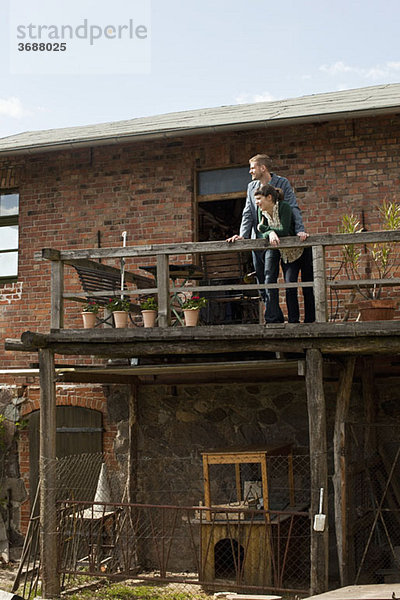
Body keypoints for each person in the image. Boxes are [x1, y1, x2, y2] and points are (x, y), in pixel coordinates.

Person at [227, 153, 312, 323]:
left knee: (271, 277)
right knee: (262, 279)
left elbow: (293, 207)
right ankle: (275, 315)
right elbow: (247, 213)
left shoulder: (282, 183)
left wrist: (300, 230)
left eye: (252, 168)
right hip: (259, 238)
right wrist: (242, 235)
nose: (250, 171)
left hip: (279, 239)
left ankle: (273, 319)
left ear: (262, 168)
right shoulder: (251, 187)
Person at [253, 184, 315, 323]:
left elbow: (284, 230)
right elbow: (262, 233)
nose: (256, 202)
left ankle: (311, 320)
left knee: (308, 287)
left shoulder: (284, 207)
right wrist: (269, 232)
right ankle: (294, 322)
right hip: (286, 254)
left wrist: (266, 229)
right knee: (289, 286)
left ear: (269, 197)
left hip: (302, 250)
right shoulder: (260, 211)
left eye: (258, 199)